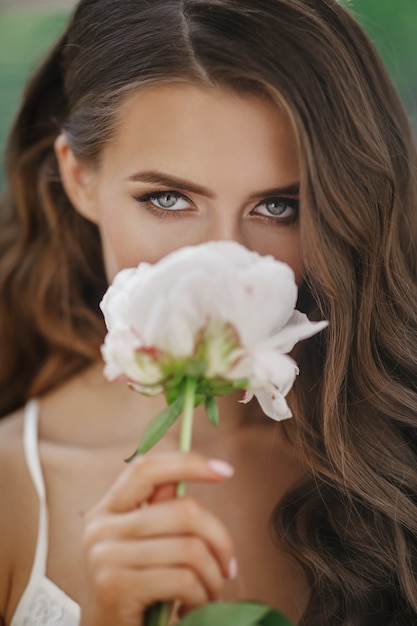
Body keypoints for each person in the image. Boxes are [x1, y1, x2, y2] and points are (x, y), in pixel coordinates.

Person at [1, 0, 417, 624]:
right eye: (168, 198)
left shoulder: (393, 448)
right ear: (80, 179)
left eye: (278, 207)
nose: (223, 258)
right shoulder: (10, 489)